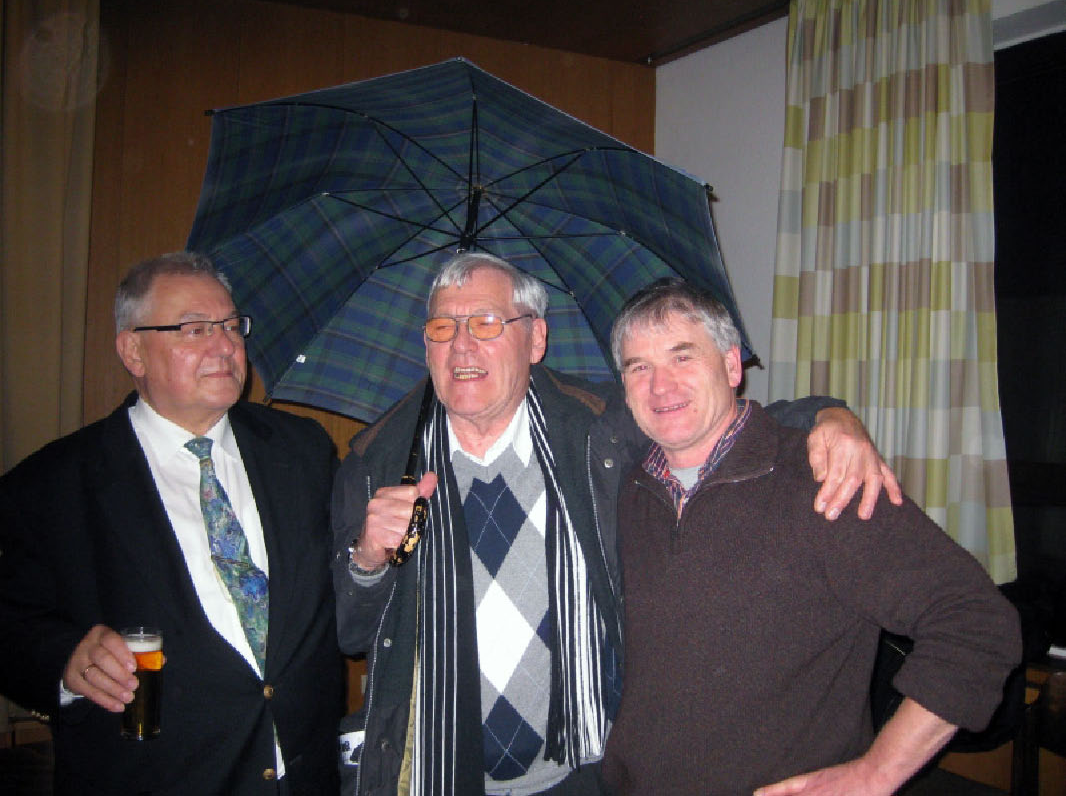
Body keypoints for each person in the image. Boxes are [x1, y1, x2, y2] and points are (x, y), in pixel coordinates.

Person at [332, 252, 902, 796]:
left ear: (536, 339)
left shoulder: (599, 432)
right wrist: (368, 558)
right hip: (437, 768)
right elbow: (351, 635)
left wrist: (831, 417)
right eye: (442, 327)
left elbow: (719, 424)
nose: (461, 345)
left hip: (585, 767)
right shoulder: (376, 461)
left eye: (485, 322)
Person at [600, 279, 1022, 796]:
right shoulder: (628, 488)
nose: (660, 386)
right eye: (638, 367)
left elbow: (978, 623)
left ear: (731, 366)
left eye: (682, 357)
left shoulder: (824, 479)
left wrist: (875, 773)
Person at [0, 252, 343, 795]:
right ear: (132, 351)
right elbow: (11, 625)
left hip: (303, 775)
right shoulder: (52, 484)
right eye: (194, 329)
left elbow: (346, 588)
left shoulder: (302, 451)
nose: (225, 346)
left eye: (231, 326)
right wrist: (64, 659)